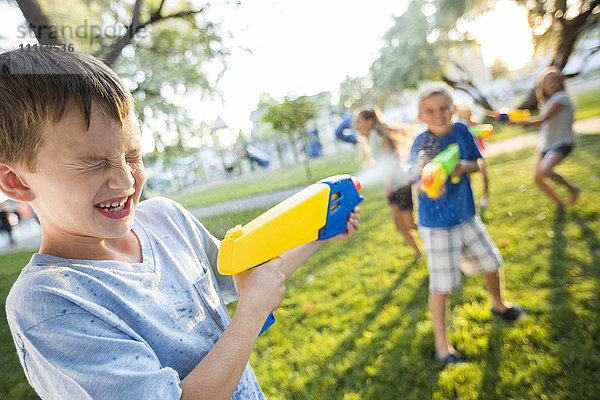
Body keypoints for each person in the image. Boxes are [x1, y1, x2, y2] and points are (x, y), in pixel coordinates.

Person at [0, 49, 360, 399]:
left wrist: (321, 232)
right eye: (93, 163)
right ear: (17, 182)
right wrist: (252, 313)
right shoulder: (46, 303)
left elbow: (246, 276)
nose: (126, 181)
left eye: (132, 155)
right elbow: (253, 298)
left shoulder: (166, 218)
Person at [409, 84, 523, 368]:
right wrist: (428, 188)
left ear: (453, 108)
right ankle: (442, 346)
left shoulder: (461, 131)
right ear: (421, 116)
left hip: (467, 216)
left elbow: (476, 162)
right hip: (436, 225)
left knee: (491, 262)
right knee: (442, 285)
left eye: (444, 108)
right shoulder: (420, 143)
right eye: (430, 111)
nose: (438, 115)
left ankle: (499, 305)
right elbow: (415, 179)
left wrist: (461, 167)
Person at [355, 108, 422, 260]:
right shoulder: (371, 138)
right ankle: (418, 253)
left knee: (410, 224)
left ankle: (435, 233)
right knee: (399, 224)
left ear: (369, 121)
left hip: (400, 183)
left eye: (359, 121)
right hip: (391, 185)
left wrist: (390, 183)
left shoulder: (377, 135)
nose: (356, 126)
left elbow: (395, 156)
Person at [517, 66, 579, 207]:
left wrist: (518, 121)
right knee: (538, 178)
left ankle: (572, 189)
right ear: (541, 86)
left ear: (560, 82)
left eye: (554, 80)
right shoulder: (546, 102)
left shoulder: (561, 97)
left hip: (562, 142)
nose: (550, 84)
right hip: (547, 144)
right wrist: (520, 124)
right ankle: (559, 204)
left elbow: (543, 119)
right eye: (546, 82)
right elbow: (542, 125)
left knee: (545, 171)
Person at [455, 105, 490, 219]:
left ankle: (485, 197)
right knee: (467, 180)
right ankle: (471, 202)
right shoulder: (459, 128)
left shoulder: (475, 124)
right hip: (466, 157)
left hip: (478, 154)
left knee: (485, 176)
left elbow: (482, 137)